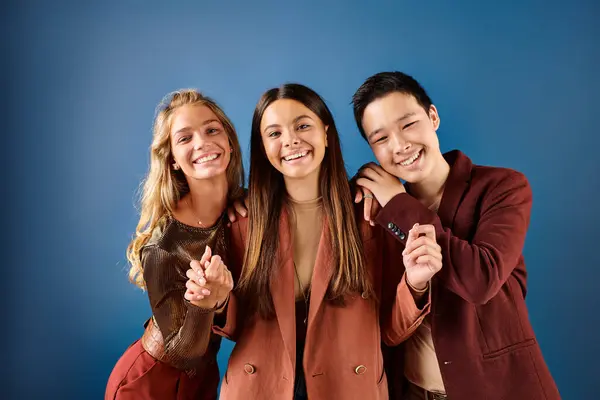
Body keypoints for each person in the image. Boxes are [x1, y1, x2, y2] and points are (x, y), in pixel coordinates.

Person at [185, 83, 442, 399]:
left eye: (302, 125)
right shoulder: (243, 220)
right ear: (263, 147)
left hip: (349, 389)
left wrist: (415, 284)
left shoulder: (369, 214)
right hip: (259, 389)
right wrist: (220, 301)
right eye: (274, 133)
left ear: (326, 131)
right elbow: (240, 329)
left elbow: (391, 331)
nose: (291, 140)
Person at [352, 71, 561, 400]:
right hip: (414, 390)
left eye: (408, 124)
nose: (400, 145)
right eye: (381, 139)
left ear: (432, 116)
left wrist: (398, 203)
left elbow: (481, 280)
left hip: (499, 389)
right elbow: (389, 330)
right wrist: (415, 287)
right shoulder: (377, 216)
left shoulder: (502, 188)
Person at [105, 89, 244, 400]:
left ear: (230, 143)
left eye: (212, 129)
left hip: (203, 380)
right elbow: (183, 355)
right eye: (184, 138)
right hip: (149, 383)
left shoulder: (244, 208)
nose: (202, 142)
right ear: (173, 161)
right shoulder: (163, 246)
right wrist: (204, 303)